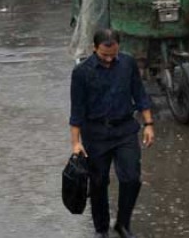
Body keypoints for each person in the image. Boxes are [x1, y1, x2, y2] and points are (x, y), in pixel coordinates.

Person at [69, 29, 155, 238]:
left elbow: (140, 93)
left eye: (113, 54)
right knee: (98, 183)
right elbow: (77, 110)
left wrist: (149, 123)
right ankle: (101, 229)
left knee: (131, 179)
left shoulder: (127, 64)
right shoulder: (81, 72)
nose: (109, 59)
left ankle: (123, 224)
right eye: (104, 55)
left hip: (125, 130)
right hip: (96, 134)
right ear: (94, 49)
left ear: (118, 48)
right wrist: (75, 142)